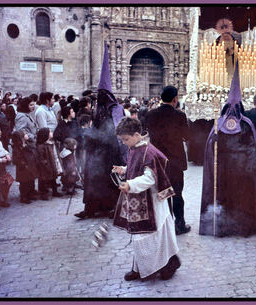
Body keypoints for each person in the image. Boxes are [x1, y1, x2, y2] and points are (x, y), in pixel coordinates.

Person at [199, 63, 256, 237]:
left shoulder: (244, 124)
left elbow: (252, 146)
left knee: (241, 200)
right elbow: (211, 146)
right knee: (229, 199)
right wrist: (215, 142)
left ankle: (242, 227)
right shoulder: (220, 123)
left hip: (241, 171)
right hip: (229, 170)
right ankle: (223, 227)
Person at [113, 117, 180, 281]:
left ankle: (170, 264)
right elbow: (136, 167)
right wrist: (124, 170)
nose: (124, 143)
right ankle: (140, 267)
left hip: (152, 203)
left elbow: (150, 178)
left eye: (125, 139)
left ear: (137, 135)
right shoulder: (135, 148)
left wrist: (130, 185)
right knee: (139, 236)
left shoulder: (148, 152)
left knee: (151, 236)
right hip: (139, 200)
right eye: (122, 140)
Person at [76, 43, 125, 219]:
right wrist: (88, 137)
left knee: (109, 181)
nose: (100, 99)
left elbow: (117, 133)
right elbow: (95, 130)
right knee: (92, 179)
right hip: (96, 152)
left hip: (111, 153)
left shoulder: (116, 110)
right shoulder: (97, 110)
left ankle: (113, 207)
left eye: (103, 94)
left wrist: (98, 138)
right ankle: (90, 208)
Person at [145, 86, 191, 235]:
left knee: (163, 194)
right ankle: (180, 224)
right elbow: (187, 136)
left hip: (158, 160)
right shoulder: (180, 116)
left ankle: (165, 224)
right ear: (175, 99)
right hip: (176, 161)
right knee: (177, 193)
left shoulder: (151, 114)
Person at [11, 130, 38, 204]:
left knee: (31, 181)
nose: (27, 135)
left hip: (31, 165)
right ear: (21, 137)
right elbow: (16, 159)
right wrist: (23, 164)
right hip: (23, 169)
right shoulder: (17, 148)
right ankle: (24, 197)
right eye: (25, 134)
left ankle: (31, 193)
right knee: (24, 183)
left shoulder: (28, 143)